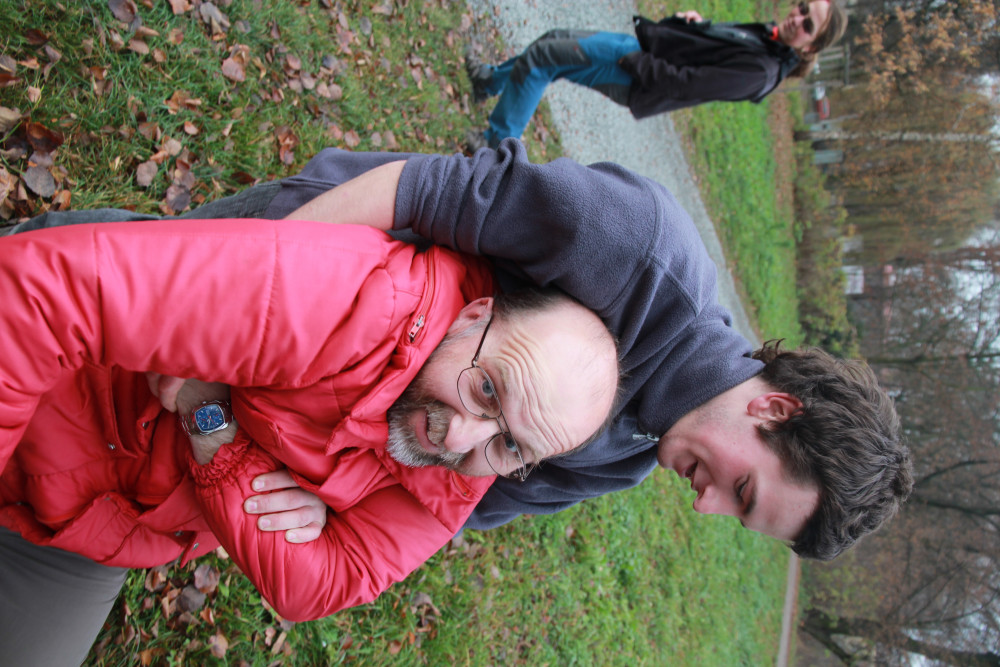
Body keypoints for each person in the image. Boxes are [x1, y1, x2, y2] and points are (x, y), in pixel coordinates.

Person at [5, 140, 912, 561]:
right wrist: (231, 308)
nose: (707, 505)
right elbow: (419, 188)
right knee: (106, 300)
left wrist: (334, 517)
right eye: (742, 489)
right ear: (773, 406)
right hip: (299, 268)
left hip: (296, 423)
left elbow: (449, 501)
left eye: (737, 514)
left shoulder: (626, 458)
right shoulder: (639, 247)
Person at [0, 217, 620, 664]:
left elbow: (314, 586)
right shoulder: (346, 294)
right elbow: (38, 296)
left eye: (511, 446)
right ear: (473, 316)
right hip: (55, 406)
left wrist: (210, 418)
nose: (460, 435)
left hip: (95, 535)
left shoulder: (462, 474)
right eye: (487, 390)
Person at [464, 1, 847, 149]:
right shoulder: (770, 38)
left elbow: (689, 84)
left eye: (807, 25)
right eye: (802, 7)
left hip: (636, 73)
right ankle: (488, 82)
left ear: (810, 47)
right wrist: (695, 24)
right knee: (553, 41)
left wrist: (634, 62)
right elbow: (710, 54)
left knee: (544, 58)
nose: (797, 18)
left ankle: (495, 145)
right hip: (639, 53)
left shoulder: (762, 72)